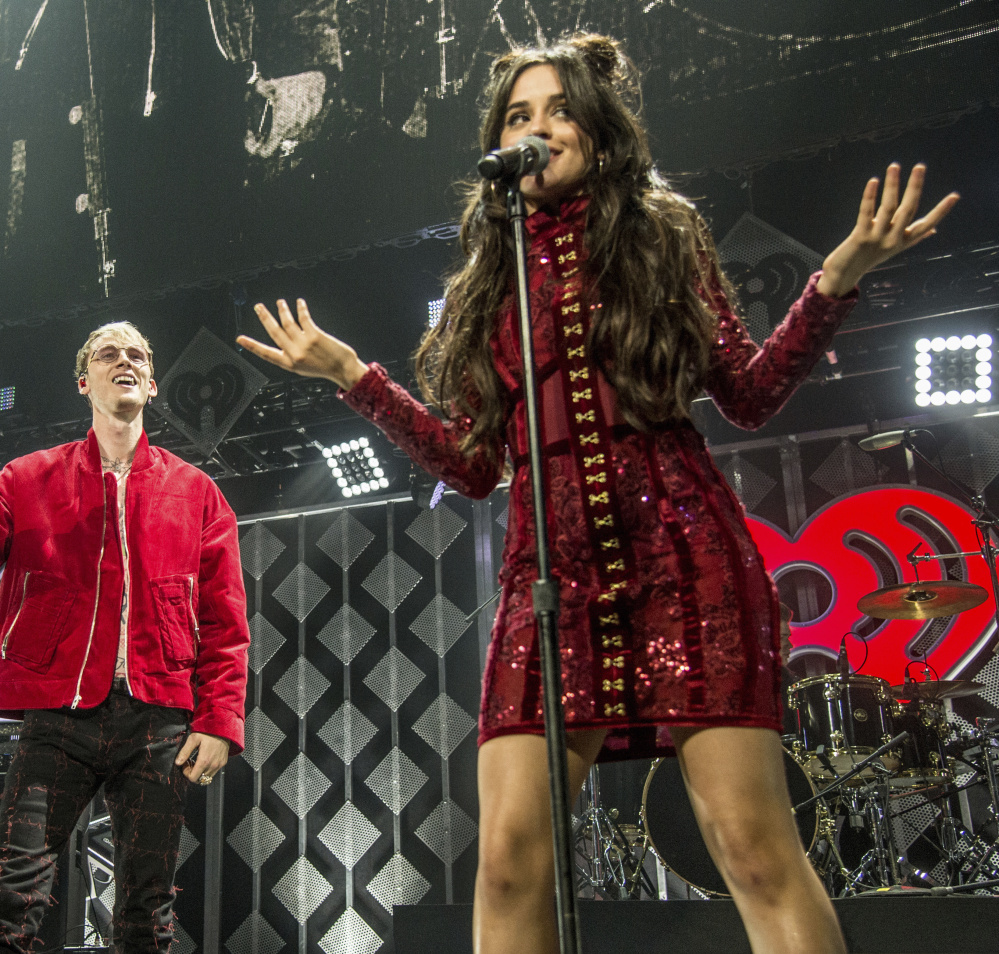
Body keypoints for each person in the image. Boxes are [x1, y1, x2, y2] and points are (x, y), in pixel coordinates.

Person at [238, 33, 958, 954]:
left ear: (600, 130)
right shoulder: (485, 280)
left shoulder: (663, 232)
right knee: (504, 863)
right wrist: (353, 375)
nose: (535, 128)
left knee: (748, 847)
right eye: (516, 116)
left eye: (556, 110)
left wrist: (835, 280)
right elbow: (469, 464)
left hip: (686, 564)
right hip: (549, 580)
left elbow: (747, 392)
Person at [0, 321, 250, 952]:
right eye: (109, 354)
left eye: (138, 354)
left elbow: (225, 620)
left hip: (157, 721)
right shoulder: (24, 480)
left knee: (147, 906)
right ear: (85, 382)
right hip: (57, 713)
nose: (126, 361)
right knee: (11, 888)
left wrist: (220, 718)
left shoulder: (197, 493)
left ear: (154, 382)